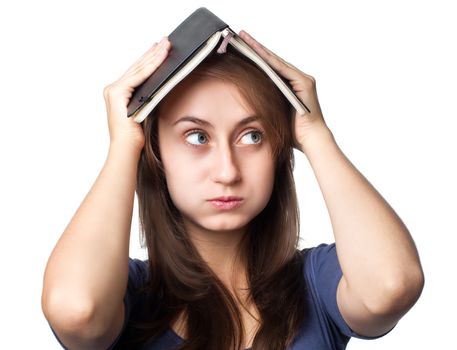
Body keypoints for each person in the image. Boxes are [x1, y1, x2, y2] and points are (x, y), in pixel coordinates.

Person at [41, 30, 424, 350]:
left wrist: (315, 134)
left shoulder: (316, 282)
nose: (227, 171)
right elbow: (77, 310)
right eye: (196, 136)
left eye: (252, 136)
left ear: (278, 148)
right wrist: (124, 147)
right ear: (157, 152)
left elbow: (392, 286)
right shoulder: (128, 294)